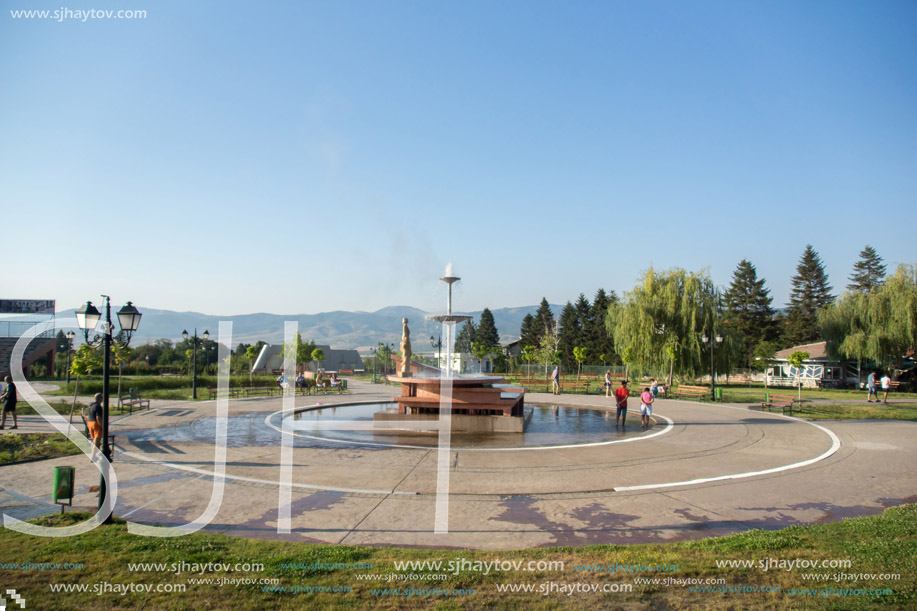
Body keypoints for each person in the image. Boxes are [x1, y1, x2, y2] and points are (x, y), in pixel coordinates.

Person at [82, 393, 104, 461]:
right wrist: (102, 427)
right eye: (102, 398)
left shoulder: (91, 405)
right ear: (100, 399)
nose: (103, 399)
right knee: (97, 441)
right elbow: (98, 418)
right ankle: (93, 457)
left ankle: (93, 455)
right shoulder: (98, 407)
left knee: (94, 440)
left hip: (90, 423)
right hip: (95, 424)